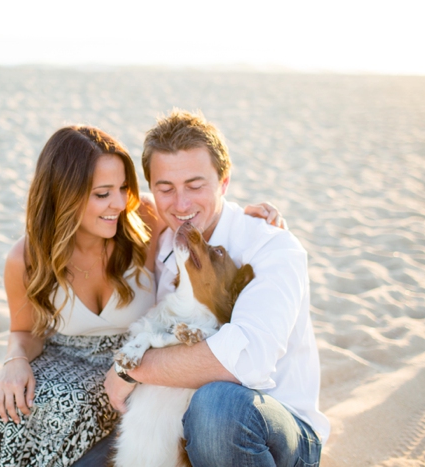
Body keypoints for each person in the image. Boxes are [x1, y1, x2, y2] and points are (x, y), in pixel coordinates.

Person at [0, 124, 285, 467]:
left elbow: (189, 205)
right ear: (64, 196)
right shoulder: (25, 258)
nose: (117, 203)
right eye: (102, 194)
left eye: (123, 188)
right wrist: (14, 361)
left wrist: (243, 215)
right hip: (66, 359)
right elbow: (24, 332)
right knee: (12, 408)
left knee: (81, 406)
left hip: (134, 361)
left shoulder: (141, 217)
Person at [103, 110, 331, 467]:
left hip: (272, 429)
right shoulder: (162, 236)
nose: (181, 205)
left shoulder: (272, 247)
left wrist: (131, 368)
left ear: (224, 182)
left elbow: (245, 361)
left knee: (216, 407)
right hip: (178, 428)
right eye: (166, 188)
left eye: (195, 186)